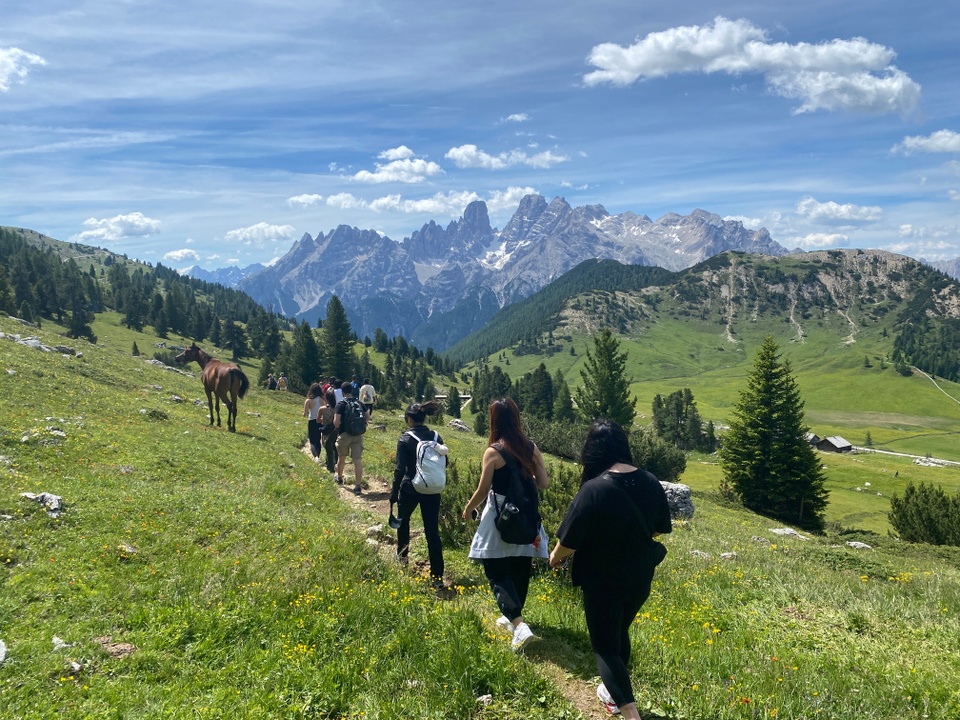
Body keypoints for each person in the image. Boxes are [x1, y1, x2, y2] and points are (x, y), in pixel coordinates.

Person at [549, 419, 672, 719]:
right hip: (640, 576)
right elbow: (659, 529)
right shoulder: (651, 481)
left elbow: (567, 542)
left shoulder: (593, 489)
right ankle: (613, 695)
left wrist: (554, 559)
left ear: (593, 452)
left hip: (602, 580)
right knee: (619, 632)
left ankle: (630, 712)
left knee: (604, 647)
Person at [462, 397, 549, 651]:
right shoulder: (531, 448)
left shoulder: (494, 451)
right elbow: (543, 483)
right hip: (526, 516)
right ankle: (513, 616)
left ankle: (519, 625)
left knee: (496, 569)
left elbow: (483, 489)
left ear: (494, 421)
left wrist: (469, 509)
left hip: (501, 516)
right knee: (521, 566)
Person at [391, 401, 446, 587]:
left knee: (403, 522)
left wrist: (393, 492)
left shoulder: (405, 438)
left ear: (409, 418)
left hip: (410, 487)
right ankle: (437, 576)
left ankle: (402, 557)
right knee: (432, 531)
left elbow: (399, 469)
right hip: (432, 489)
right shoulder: (437, 437)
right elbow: (444, 463)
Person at [334, 381, 369, 493]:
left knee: (342, 457)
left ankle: (339, 478)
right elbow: (367, 416)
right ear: (352, 390)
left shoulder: (341, 404)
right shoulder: (359, 403)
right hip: (358, 435)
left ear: (343, 392)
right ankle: (358, 485)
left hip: (345, 434)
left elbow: (336, 422)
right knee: (357, 460)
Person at [303, 383, 325, 463]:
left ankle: (315, 456)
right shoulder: (322, 400)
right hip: (320, 421)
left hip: (311, 420)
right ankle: (318, 455)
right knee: (318, 439)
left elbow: (305, 414)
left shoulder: (308, 400)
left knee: (312, 441)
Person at [319, 388, 338, 474]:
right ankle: (335, 463)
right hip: (335, 430)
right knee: (334, 447)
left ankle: (330, 467)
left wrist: (323, 419)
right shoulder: (337, 408)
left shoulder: (322, 409)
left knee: (328, 448)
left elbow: (318, 420)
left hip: (326, 430)